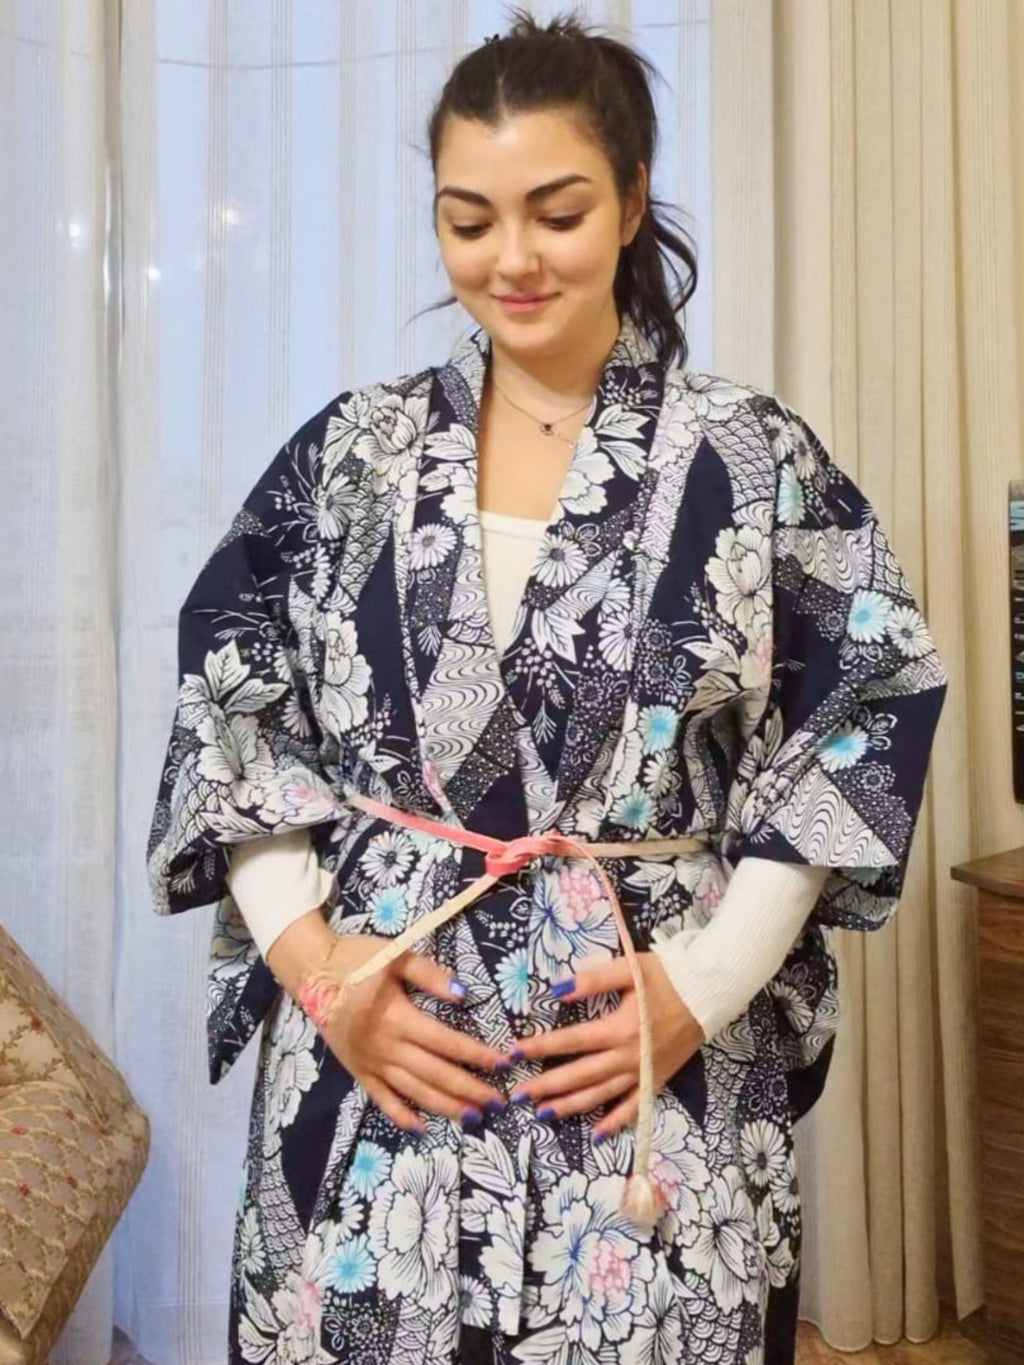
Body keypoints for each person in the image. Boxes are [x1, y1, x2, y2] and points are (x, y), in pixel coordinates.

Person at [146, 10, 947, 1364]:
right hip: (385, 1040)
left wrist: (709, 977)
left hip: (645, 1051)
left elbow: (861, 712)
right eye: (468, 220)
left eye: (555, 210)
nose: (510, 257)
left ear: (632, 202)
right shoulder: (354, 452)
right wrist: (317, 965)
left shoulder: (750, 461)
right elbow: (233, 697)